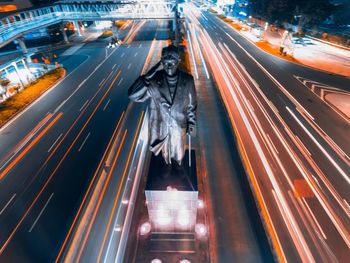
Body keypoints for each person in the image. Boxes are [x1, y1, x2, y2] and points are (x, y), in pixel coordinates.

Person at [128, 45, 197, 166]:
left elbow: (192, 105)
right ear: (162, 62)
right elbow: (133, 96)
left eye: (172, 62)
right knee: (165, 159)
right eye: (166, 63)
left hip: (179, 127)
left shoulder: (188, 80)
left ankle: (179, 169)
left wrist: (191, 123)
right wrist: (146, 78)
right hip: (161, 130)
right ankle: (167, 170)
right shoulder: (154, 80)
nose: (169, 66)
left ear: (178, 61)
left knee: (179, 156)